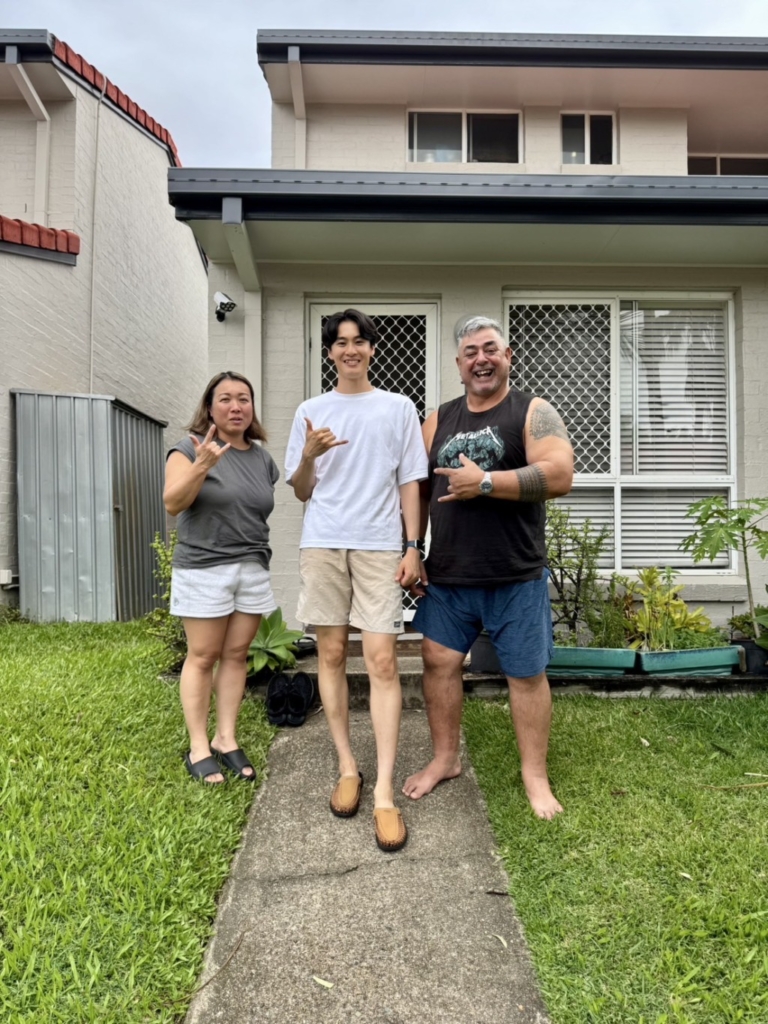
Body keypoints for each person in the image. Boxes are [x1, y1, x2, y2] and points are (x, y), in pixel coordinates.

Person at [404, 315, 574, 819]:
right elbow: (415, 489)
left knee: (525, 674)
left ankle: (534, 776)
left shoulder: (532, 411)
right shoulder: (437, 419)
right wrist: (411, 547)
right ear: (459, 365)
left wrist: (484, 483)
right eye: (471, 352)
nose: (481, 359)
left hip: (514, 573)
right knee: (438, 663)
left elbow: (560, 474)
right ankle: (445, 758)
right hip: (449, 575)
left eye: (490, 349)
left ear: (507, 357)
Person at [284, 309, 428, 851]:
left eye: (359, 341)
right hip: (323, 541)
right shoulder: (311, 411)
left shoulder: (398, 407)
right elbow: (301, 490)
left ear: (372, 348)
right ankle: (348, 766)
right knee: (329, 654)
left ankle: (385, 790)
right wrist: (309, 457)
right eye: (340, 342)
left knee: (383, 660)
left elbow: (411, 482)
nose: (350, 349)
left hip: (379, 545)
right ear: (329, 353)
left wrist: (413, 547)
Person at [164, 371, 279, 785]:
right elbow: (173, 503)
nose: (236, 407)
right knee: (202, 656)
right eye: (226, 399)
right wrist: (201, 467)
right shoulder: (188, 449)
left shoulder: (262, 459)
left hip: (252, 566)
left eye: (244, 399)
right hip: (204, 566)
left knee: (235, 654)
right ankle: (198, 746)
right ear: (210, 408)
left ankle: (225, 737)